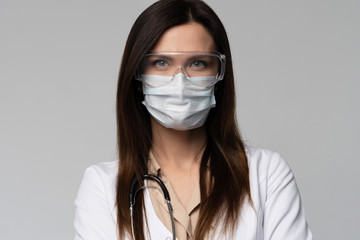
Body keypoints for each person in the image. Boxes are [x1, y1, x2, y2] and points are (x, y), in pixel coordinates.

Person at [73, 0, 312, 239]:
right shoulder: (102, 187)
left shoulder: (266, 174)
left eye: (198, 63)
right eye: (161, 63)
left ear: (218, 75)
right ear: (137, 77)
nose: (180, 82)